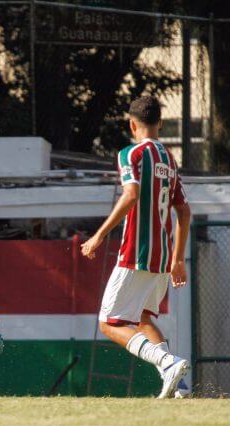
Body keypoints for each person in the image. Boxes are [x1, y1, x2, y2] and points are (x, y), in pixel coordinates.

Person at [81, 96, 191, 399]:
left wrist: (99, 235)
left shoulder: (131, 153)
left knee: (109, 323)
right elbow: (184, 211)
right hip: (163, 257)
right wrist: (178, 259)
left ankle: (168, 363)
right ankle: (179, 387)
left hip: (136, 254)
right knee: (143, 318)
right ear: (160, 123)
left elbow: (130, 195)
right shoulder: (169, 158)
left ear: (132, 124)